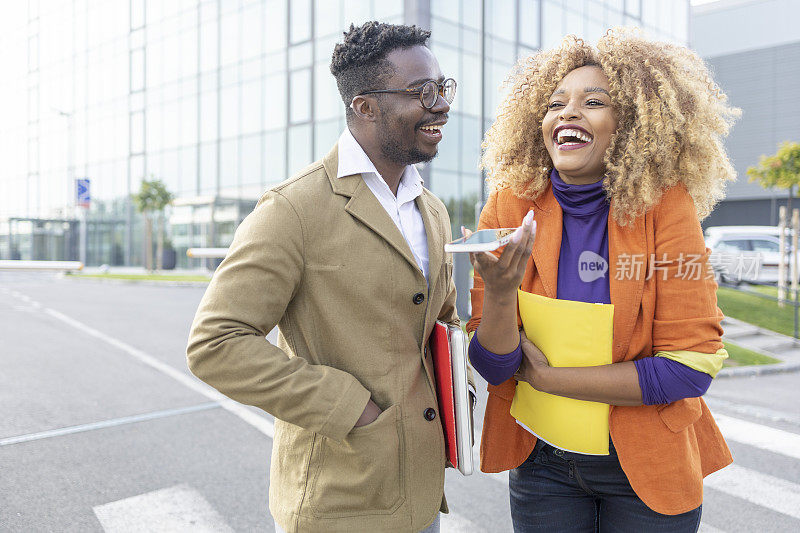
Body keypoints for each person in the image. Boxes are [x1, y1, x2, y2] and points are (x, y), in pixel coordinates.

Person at [187, 21, 466, 533]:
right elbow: (215, 345)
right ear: (365, 106)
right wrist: (347, 406)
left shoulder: (433, 210)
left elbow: (437, 325)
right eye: (422, 92)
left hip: (421, 496)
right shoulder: (293, 209)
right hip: (337, 499)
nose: (441, 104)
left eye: (443, 88)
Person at [465, 29, 739, 532]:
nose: (568, 113)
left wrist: (547, 378)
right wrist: (501, 293)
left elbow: (689, 368)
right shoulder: (511, 204)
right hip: (542, 462)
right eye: (555, 104)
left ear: (630, 125)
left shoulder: (667, 206)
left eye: (594, 102)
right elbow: (494, 364)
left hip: (644, 462)